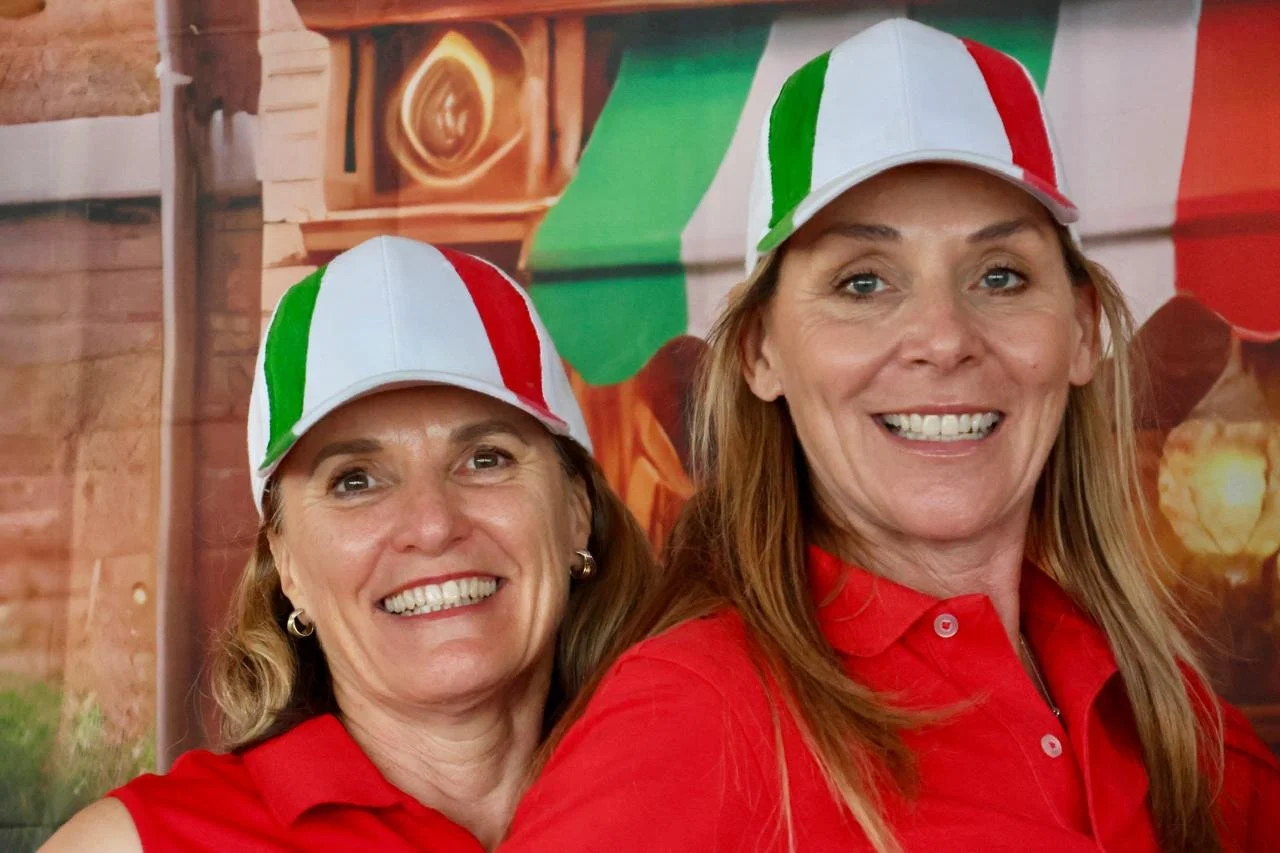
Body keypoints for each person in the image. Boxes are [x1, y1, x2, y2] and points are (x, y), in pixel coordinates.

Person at [500, 19, 1280, 852]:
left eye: (1001, 275)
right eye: (863, 282)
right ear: (763, 351)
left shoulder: (1162, 709)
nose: (943, 337)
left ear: (1083, 330)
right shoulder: (688, 719)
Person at [43, 236, 655, 851]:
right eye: (354, 481)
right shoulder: (142, 844)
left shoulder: (710, 792)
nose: (433, 524)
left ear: (577, 511)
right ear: (288, 567)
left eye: (485, 459)